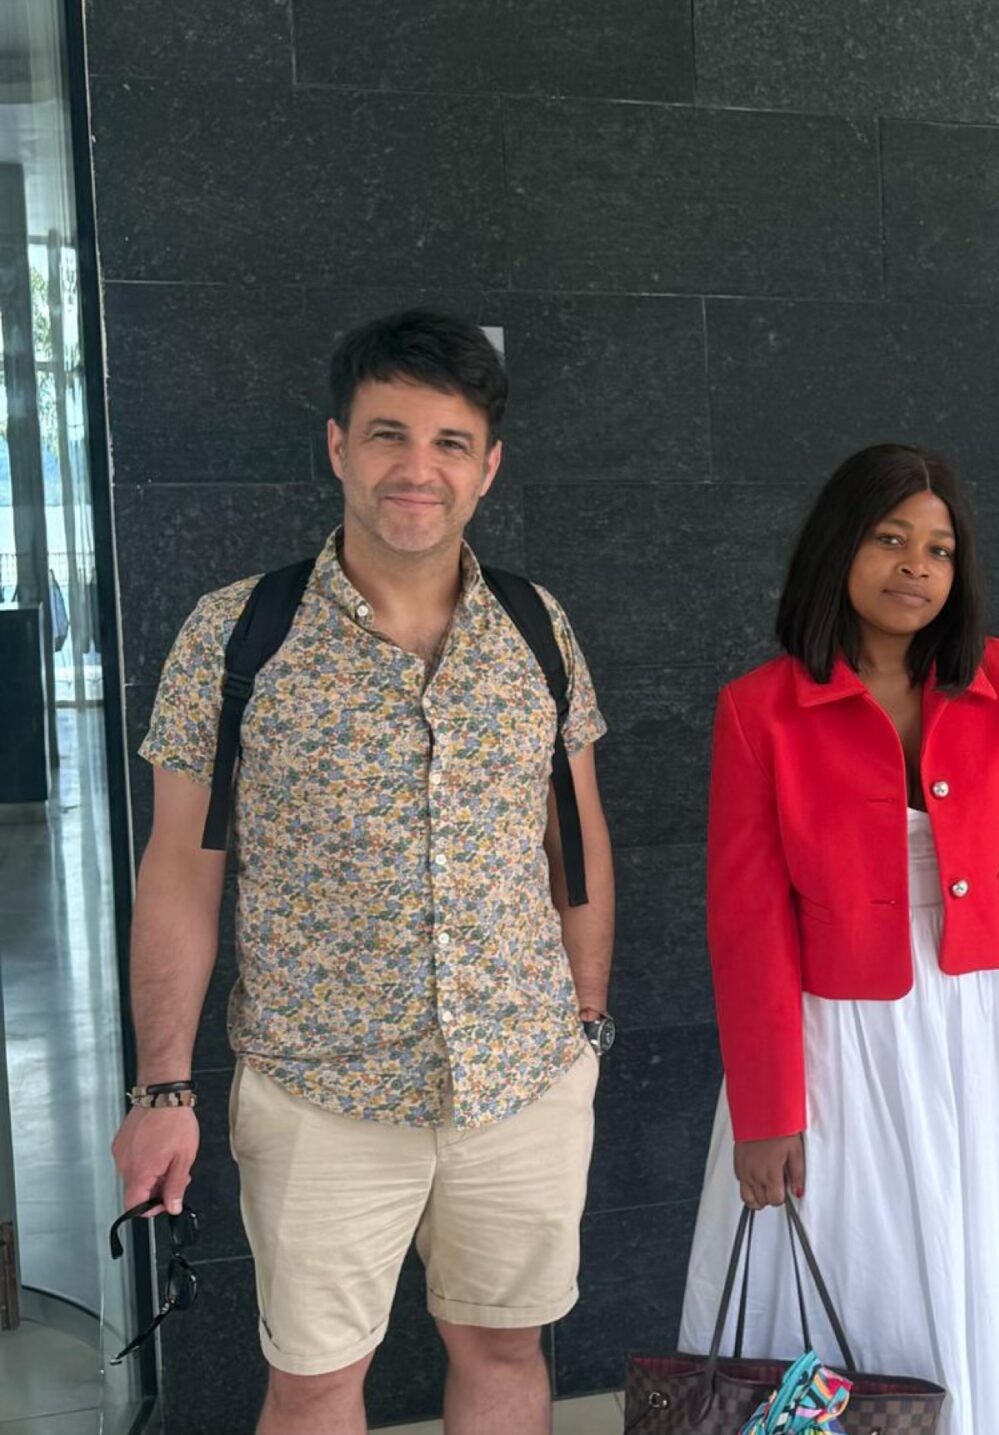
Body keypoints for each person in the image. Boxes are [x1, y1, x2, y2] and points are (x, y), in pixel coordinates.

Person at [114, 310, 616, 1434]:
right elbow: (182, 873)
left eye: (449, 443)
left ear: (488, 467)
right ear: (338, 445)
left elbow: (576, 842)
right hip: (320, 1088)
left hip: (522, 1078)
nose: (416, 468)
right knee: (314, 1381)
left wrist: (585, 1028)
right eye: (389, 434)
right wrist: (160, 1090)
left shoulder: (535, 627)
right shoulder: (237, 635)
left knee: (505, 1346)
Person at [677, 443, 999, 1435]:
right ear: (839, 548)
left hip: (972, 1022)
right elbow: (747, 922)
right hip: (832, 1034)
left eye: (939, 549)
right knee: (852, 1253)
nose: (917, 565)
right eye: (890, 539)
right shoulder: (759, 709)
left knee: (979, 1246)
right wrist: (767, 1108)